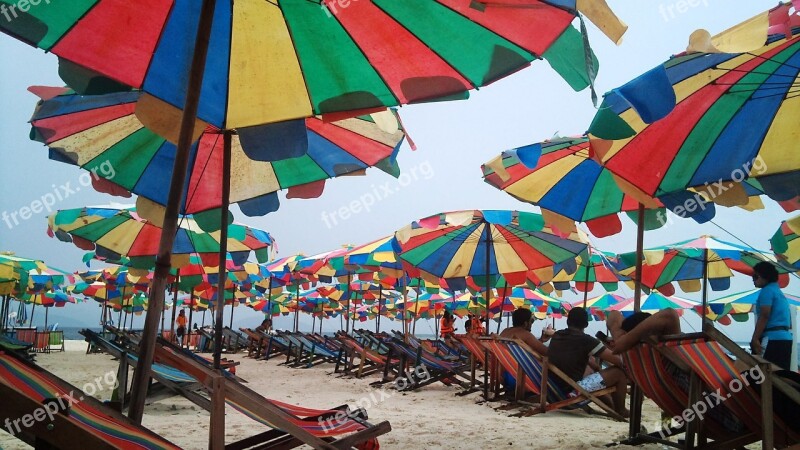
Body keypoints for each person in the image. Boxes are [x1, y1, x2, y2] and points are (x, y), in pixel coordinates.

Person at [548, 307, 629, 418]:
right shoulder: (586, 340)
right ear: (586, 324)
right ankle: (621, 410)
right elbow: (619, 361)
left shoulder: (557, 335)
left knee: (592, 374)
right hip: (572, 392)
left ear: (567, 321)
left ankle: (612, 407)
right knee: (618, 373)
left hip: (554, 390)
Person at [750, 261, 793, 370]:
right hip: (786, 338)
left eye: (755, 276)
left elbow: (765, 315)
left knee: (763, 374)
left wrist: (755, 338)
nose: (753, 279)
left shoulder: (767, 291)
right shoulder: (778, 292)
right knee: (781, 376)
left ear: (765, 276)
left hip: (772, 339)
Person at [606, 308, 681, 354]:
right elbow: (670, 314)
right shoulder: (671, 351)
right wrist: (626, 340)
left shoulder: (630, 359)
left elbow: (614, 314)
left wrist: (620, 336)